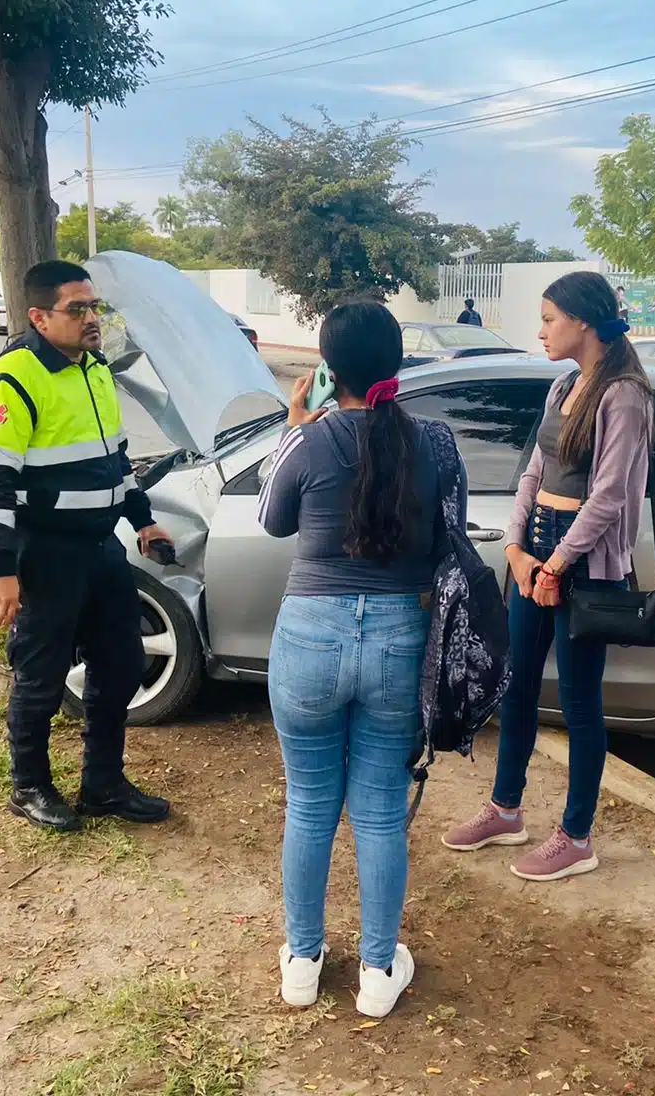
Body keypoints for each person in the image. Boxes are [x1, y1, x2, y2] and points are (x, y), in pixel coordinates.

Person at [257, 300, 465, 1018]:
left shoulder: (309, 441)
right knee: (378, 813)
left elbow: (270, 519)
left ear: (326, 371)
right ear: (399, 364)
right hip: (398, 637)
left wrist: (294, 423)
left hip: (310, 632)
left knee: (310, 805)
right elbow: (450, 543)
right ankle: (379, 973)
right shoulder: (436, 444)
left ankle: (302, 965)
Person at [442, 271, 651, 881]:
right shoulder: (564, 384)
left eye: (549, 319)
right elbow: (533, 472)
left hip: (584, 560)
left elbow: (609, 495)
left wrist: (556, 564)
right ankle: (506, 810)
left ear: (584, 321)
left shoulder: (626, 395)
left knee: (582, 702)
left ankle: (576, 836)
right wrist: (515, 547)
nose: (541, 331)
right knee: (518, 684)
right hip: (537, 548)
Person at [0, 259, 175, 832]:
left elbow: (117, 457)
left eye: (95, 307)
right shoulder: (11, 381)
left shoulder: (95, 370)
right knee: (41, 671)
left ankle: (103, 785)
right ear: (39, 316)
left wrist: (143, 520)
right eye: (77, 309)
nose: (92, 319)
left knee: (123, 662)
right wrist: (1, 570)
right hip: (46, 552)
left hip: (100, 546)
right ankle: (29, 786)